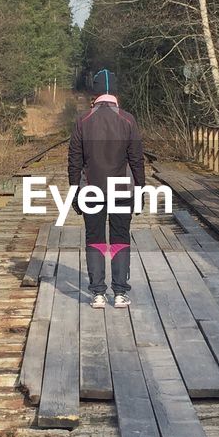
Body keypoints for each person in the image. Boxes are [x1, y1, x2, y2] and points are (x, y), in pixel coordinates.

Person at [67, 69, 145, 308]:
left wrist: (74, 193)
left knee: (96, 239)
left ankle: (98, 293)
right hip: (122, 190)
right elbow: (136, 160)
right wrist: (140, 191)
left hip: (92, 190)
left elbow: (74, 161)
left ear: (95, 93)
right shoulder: (128, 120)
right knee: (120, 238)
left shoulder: (83, 121)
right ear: (116, 93)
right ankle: (120, 293)